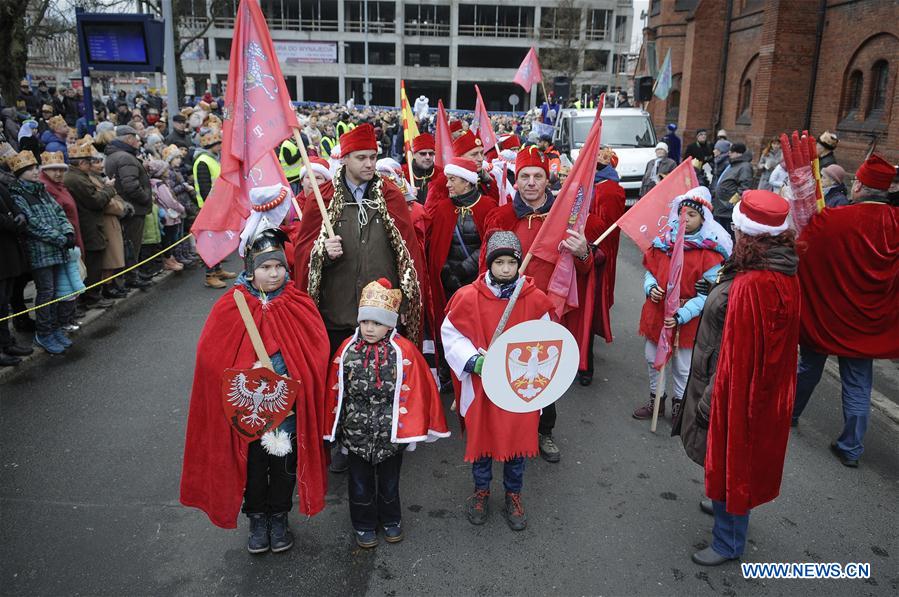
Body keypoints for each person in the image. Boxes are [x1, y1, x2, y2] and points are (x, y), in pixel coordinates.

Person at [180, 228, 331, 553]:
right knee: (251, 467)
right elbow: (210, 356)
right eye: (265, 267)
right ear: (250, 268)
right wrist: (241, 375)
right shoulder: (231, 307)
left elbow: (316, 351)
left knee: (283, 467)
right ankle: (257, 519)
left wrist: (294, 374)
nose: (273, 273)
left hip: (287, 414)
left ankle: (279, 517)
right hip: (247, 415)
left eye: (278, 266)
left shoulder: (298, 303)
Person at [675, 190, 800, 566]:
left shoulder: (754, 284)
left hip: (734, 391)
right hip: (746, 387)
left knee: (734, 457)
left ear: (750, 234)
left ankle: (729, 541)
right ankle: (723, 502)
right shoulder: (774, 268)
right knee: (729, 460)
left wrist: (711, 401)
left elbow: (738, 357)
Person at [293, 123, 426, 472]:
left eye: (373, 157)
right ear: (345, 159)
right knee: (343, 379)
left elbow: (408, 252)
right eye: (361, 157)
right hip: (337, 308)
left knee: (382, 377)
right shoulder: (321, 198)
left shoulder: (391, 196)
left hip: (381, 309)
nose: (369, 164)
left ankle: (387, 435)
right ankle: (341, 440)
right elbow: (302, 252)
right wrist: (321, 249)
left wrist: (406, 300)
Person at [484, 147, 597, 463]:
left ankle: (544, 432)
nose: (531, 182)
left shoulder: (566, 218)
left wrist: (583, 251)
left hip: (549, 312)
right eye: (524, 176)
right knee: (507, 372)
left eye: (538, 176)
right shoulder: (502, 216)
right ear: (515, 180)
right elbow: (486, 266)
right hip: (508, 309)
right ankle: (506, 432)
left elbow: (586, 271)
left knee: (545, 375)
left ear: (548, 180)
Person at [324, 278, 449, 548]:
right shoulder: (346, 350)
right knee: (359, 485)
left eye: (377, 323)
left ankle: (392, 520)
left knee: (390, 484)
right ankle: (364, 524)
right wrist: (334, 430)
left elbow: (419, 391)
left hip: (390, 438)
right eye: (365, 322)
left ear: (390, 324)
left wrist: (413, 431)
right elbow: (335, 391)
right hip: (356, 437)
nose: (370, 328)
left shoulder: (404, 352)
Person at [441, 231, 553, 531]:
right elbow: (451, 333)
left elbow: (547, 341)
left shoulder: (534, 300)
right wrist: (473, 361)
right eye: (499, 262)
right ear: (488, 263)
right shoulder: (468, 297)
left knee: (517, 442)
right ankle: (481, 490)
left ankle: (513, 494)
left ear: (519, 264)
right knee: (484, 440)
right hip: (483, 387)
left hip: (519, 388)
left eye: (511, 262)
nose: (505, 268)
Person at [792, 154, 899, 467]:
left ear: (859, 186)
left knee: (808, 368)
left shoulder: (833, 220)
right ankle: (851, 447)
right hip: (869, 322)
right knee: (858, 382)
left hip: (826, 314)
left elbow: (804, 254)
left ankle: (789, 414)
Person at [632, 187, 730, 421]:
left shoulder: (710, 254)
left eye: (692, 215)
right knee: (652, 356)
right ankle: (657, 400)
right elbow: (650, 272)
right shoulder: (663, 243)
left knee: (682, 364)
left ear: (703, 218)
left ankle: (679, 404)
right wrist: (651, 287)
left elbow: (709, 294)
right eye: (682, 213)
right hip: (658, 312)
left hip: (687, 318)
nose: (685, 219)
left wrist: (682, 315)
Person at [8, 150, 75, 355]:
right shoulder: (18, 194)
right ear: (20, 173)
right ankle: (44, 332)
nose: (35, 171)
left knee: (54, 292)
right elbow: (31, 224)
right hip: (40, 252)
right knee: (45, 292)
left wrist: (68, 230)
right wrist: (60, 238)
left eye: (35, 167)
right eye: (30, 169)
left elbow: (59, 212)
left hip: (57, 248)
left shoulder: (42, 190)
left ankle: (53, 328)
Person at [581, 147, 627, 386]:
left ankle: (585, 365)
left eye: (602, 156)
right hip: (578, 250)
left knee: (587, 308)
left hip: (595, 252)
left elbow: (607, 231)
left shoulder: (608, 190)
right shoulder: (586, 182)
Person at [64, 142, 115, 308]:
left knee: (93, 261)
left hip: (88, 224)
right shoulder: (77, 179)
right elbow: (96, 201)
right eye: (88, 162)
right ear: (82, 163)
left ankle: (92, 295)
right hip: (89, 225)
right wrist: (108, 190)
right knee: (93, 262)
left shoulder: (76, 177)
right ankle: (92, 297)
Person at [105, 125, 153, 290]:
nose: (138, 141)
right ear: (128, 139)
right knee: (132, 245)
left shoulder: (116, 155)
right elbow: (131, 185)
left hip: (126, 207)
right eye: (135, 138)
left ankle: (132, 275)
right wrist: (146, 197)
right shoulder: (125, 157)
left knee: (128, 244)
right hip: (133, 208)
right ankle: (131, 277)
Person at [193, 129, 238, 288]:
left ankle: (218, 269)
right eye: (218, 144)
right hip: (209, 210)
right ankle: (209, 275)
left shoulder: (213, 159)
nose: (221, 147)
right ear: (211, 144)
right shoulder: (203, 161)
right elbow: (206, 189)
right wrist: (214, 208)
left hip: (218, 207)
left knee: (217, 241)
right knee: (210, 243)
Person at [0, 172, 34, 366]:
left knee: (4, 302)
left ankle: (6, 342)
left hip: (8, 251)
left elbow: (12, 203)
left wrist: (21, 215)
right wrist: (12, 222)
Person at [713, 142, 752, 234]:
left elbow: (744, 188)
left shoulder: (744, 167)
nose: (729, 153)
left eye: (732, 151)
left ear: (739, 153)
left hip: (728, 210)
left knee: (728, 234)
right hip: (721, 206)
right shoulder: (734, 164)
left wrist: (730, 203)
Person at [405, 133, 441, 205]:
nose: (428, 157)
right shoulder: (403, 173)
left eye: (431, 153)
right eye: (423, 154)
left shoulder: (441, 173)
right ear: (413, 155)